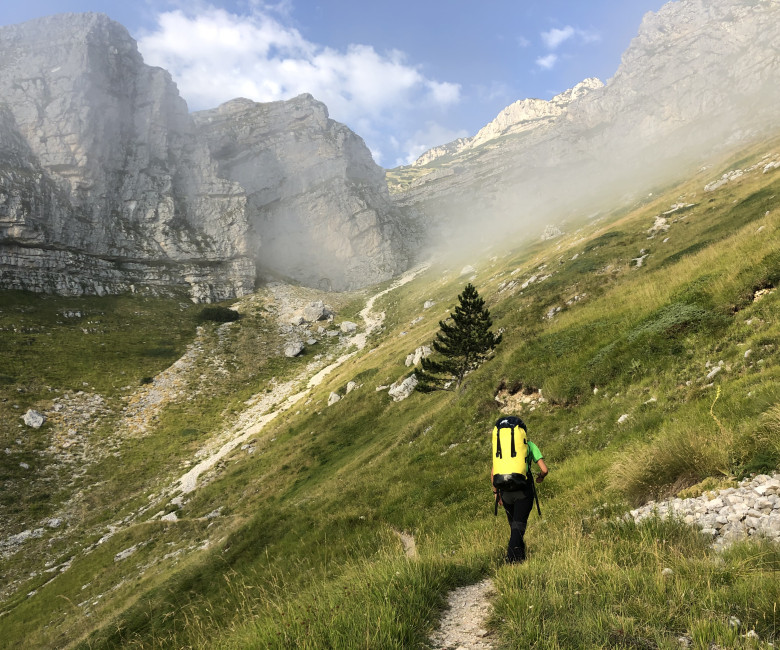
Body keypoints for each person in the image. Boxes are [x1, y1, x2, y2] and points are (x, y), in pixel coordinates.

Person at [491, 421, 548, 564]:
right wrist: (540, 477)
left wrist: (496, 494)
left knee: (514, 526)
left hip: (505, 491)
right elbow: (544, 469)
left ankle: (520, 558)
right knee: (518, 527)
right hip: (523, 490)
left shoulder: (501, 449)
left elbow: (493, 473)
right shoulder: (530, 445)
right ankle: (511, 560)